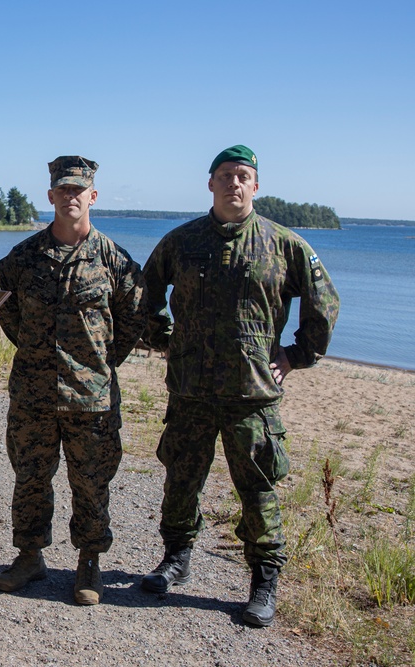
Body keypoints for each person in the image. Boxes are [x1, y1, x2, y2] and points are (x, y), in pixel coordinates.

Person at [140, 145, 340, 627]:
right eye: (225, 175)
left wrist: (295, 356)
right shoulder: (181, 241)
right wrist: (165, 340)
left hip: (251, 397)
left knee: (258, 490)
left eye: (243, 175)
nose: (234, 183)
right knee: (181, 481)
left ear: (255, 186)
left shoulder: (284, 244)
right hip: (189, 393)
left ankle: (264, 580)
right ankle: (176, 559)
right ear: (210, 184)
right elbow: (144, 294)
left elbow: (324, 305)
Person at [0, 156, 146, 605]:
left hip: (91, 399)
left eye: (78, 190)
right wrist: (34, 351)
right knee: (30, 478)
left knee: (91, 483)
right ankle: (29, 556)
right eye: (63, 190)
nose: (70, 197)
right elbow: (5, 308)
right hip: (33, 396)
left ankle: (89, 562)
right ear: (51, 196)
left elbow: (132, 319)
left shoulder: (115, 260)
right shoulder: (23, 258)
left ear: (92, 196)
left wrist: (98, 363)